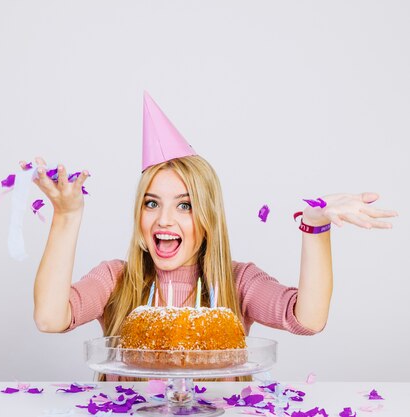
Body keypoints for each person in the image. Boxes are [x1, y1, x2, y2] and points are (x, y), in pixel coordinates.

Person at [24, 92, 397, 381]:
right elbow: (50, 318)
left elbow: (308, 318)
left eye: (184, 206)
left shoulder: (238, 282)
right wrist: (66, 217)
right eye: (151, 203)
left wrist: (315, 226)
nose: (164, 220)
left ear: (208, 218)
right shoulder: (115, 279)